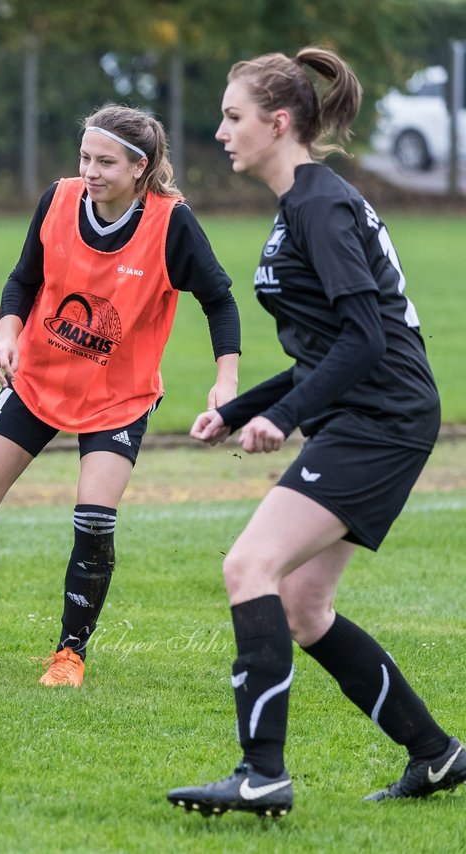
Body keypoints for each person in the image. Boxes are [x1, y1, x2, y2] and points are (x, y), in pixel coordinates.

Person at [166, 47, 463, 817]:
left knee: (249, 565)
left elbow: (365, 339)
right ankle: (436, 756)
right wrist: (238, 410)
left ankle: (260, 773)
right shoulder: (301, 202)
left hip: (380, 415)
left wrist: (281, 416)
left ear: (279, 121)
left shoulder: (319, 205)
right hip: (368, 410)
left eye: (234, 117)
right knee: (301, 606)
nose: (222, 131)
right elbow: (332, 347)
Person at [0, 103, 241, 686]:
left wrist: (225, 380)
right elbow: (22, 280)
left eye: (106, 161)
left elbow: (219, 300)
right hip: (37, 379)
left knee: (93, 521)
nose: (91, 170)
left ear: (141, 167)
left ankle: (69, 655)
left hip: (119, 395)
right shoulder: (59, 200)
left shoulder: (169, 222)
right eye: (85, 157)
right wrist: (6, 339)